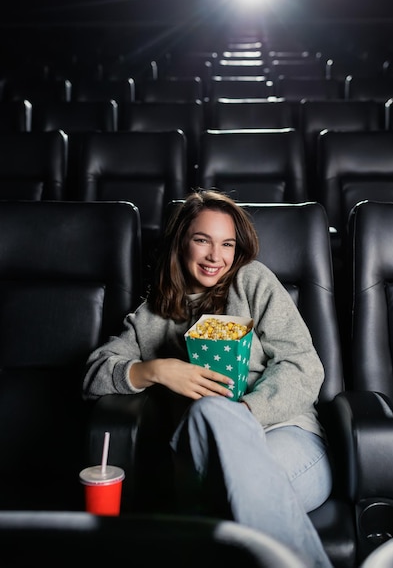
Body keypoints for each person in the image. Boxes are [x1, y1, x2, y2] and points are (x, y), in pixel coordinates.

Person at [83, 189, 333, 568]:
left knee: (212, 419)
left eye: (227, 244)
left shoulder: (252, 282)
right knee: (208, 420)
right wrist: (156, 370)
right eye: (202, 240)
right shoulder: (152, 318)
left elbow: (304, 366)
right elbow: (94, 375)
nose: (216, 256)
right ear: (181, 243)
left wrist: (244, 413)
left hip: (288, 440)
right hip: (204, 458)